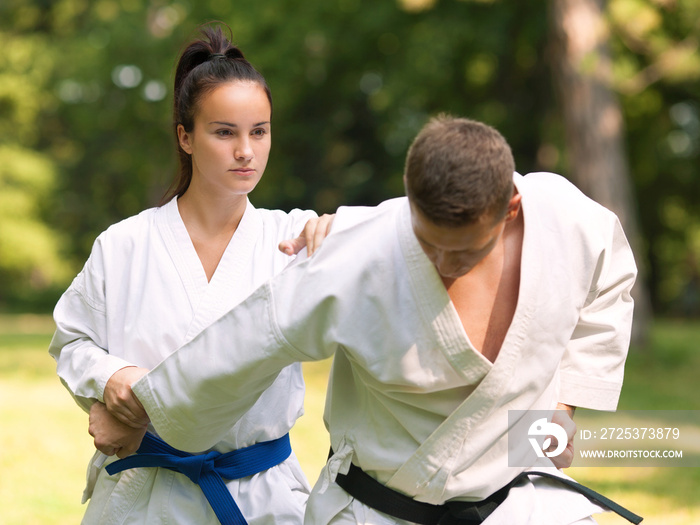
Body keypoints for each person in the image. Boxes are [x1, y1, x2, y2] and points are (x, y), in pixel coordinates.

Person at [111, 116, 641, 524]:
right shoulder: (357, 255)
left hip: (520, 503)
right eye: (428, 244)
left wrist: (561, 407)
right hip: (377, 510)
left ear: (511, 209)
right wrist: (140, 410)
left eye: (466, 252)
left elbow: (610, 279)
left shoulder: (566, 221)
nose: (445, 264)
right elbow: (244, 342)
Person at [49, 25, 333, 525]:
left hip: (259, 498)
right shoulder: (125, 244)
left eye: (259, 131)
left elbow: (390, 266)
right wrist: (111, 377)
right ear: (186, 137)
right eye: (224, 132)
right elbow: (72, 341)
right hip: (144, 498)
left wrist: (346, 233)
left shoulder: (296, 239)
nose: (245, 150)